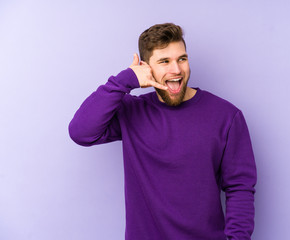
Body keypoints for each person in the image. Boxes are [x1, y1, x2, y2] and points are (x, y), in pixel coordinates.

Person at [69, 23, 257, 240]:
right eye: (164, 61)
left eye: (182, 59)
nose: (176, 70)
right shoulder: (132, 112)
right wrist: (125, 80)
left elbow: (240, 188)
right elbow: (81, 131)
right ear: (146, 67)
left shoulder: (226, 116)